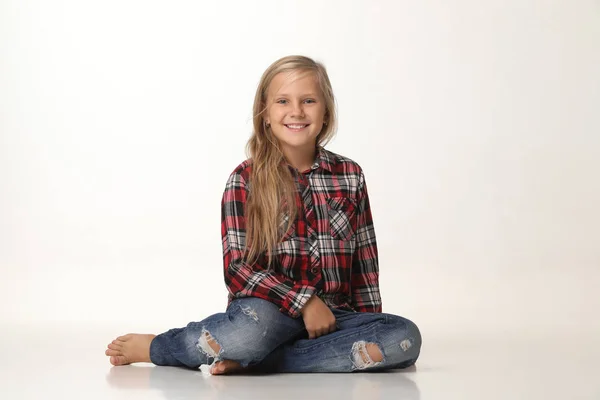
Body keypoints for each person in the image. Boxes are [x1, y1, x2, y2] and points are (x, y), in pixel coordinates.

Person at [105, 55, 422, 374]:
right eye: (283, 101)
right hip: (265, 316)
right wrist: (305, 302)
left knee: (403, 337)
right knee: (248, 334)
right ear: (266, 114)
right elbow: (238, 269)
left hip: (333, 315)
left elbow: (364, 267)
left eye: (309, 100)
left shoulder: (350, 176)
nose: (296, 111)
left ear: (325, 112)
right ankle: (161, 346)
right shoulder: (245, 179)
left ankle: (263, 360)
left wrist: (367, 325)